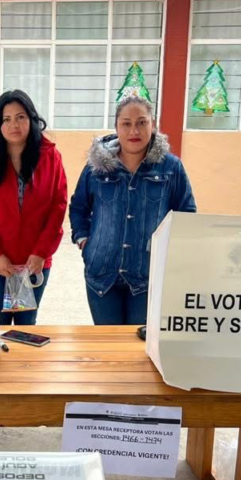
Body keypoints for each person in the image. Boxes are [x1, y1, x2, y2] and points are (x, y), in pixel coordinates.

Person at [69, 95, 196, 326]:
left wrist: (170, 253)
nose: (134, 131)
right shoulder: (96, 168)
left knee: (140, 343)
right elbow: (79, 207)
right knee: (110, 344)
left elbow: (186, 213)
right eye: (126, 123)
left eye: (141, 122)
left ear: (153, 124)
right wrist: (84, 239)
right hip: (102, 274)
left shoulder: (171, 168)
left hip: (148, 275)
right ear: (116, 126)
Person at [0, 90, 68, 326]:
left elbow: (58, 207)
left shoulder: (50, 156)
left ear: (31, 119)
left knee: (25, 327)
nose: (14, 125)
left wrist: (42, 252)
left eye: (20, 117)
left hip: (34, 263)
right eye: (7, 119)